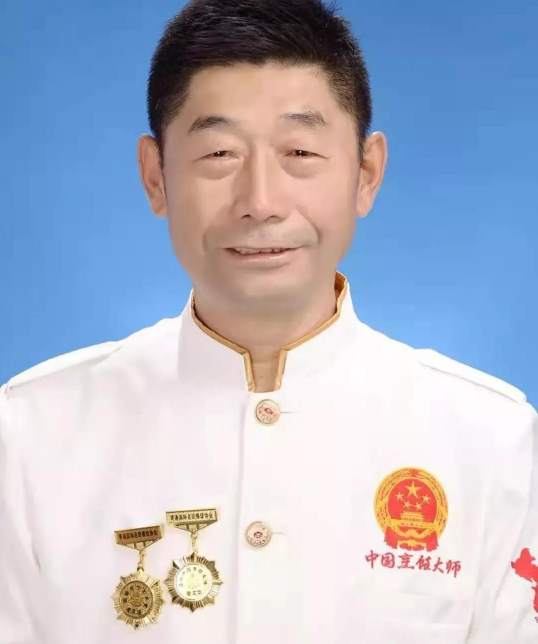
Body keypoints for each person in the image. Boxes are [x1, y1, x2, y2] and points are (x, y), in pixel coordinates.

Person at [1, 0, 536, 642]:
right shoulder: (30, 436)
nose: (260, 201)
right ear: (156, 177)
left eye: (300, 151)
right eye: (219, 153)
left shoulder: (492, 442)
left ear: (365, 174)